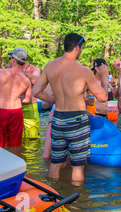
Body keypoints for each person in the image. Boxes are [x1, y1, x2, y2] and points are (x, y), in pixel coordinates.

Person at [33, 33, 109, 183]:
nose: (81, 51)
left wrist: (55, 99)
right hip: (77, 120)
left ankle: (53, 193)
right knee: (77, 166)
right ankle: (77, 204)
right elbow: (103, 97)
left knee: (55, 162)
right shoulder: (83, 70)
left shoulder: (50, 66)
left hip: (58, 118)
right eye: (81, 48)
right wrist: (105, 77)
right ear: (76, 48)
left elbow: (36, 91)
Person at [0, 48, 32, 151]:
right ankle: (17, 164)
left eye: (10, 58)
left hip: (2, 112)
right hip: (17, 112)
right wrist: (17, 98)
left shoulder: (0, 73)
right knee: (16, 144)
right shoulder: (26, 80)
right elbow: (28, 100)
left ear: (14, 60)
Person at [10, 48, 42, 143]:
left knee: (33, 138)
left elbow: (35, 80)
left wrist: (20, 73)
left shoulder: (34, 69)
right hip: (15, 105)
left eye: (12, 58)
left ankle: (31, 157)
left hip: (30, 106)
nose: (11, 60)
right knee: (15, 137)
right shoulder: (10, 68)